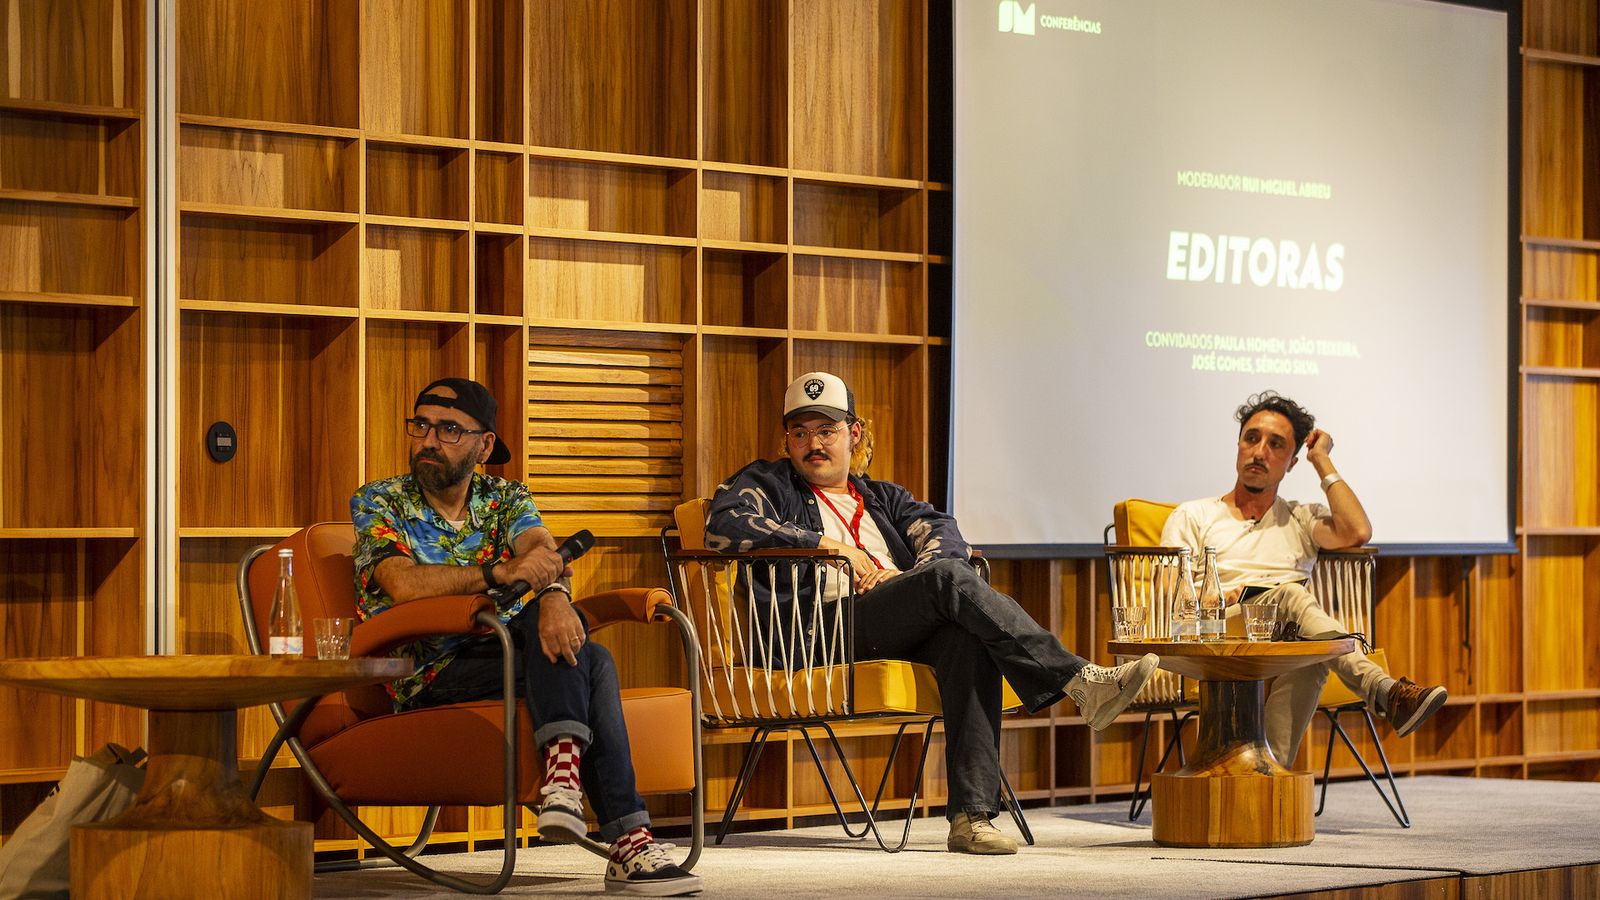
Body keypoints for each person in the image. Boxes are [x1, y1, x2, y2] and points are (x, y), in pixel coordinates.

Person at [705, 371, 1158, 855]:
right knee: (946, 582)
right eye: (801, 433)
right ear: (787, 440)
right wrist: (825, 544)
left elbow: (945, 536)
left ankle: (972, 818)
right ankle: (1078, 681)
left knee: (966, 638)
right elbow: (724, 525)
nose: (813, 444)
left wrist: (904, 580)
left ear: (853, 433)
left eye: (826, 431)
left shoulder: (882, 498)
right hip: (814, 631)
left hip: (884, 624)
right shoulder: (768, 483)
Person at [350, 377, 700, 896]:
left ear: (484, 445)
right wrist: (498, 574)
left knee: (578, 645)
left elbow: (543, 549)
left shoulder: (504, 496)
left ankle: (570, 790)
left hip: (509, 653)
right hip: (428, 672)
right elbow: (401, 583)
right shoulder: (381, 501)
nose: (428, 440)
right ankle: (624, 837)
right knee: (593, 661)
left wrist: (555, 598)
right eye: (421, 425)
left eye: (449, 429)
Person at [1160, 390, 1448, 765]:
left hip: (1288, 640)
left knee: (1311, 647)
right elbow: (1170, 599)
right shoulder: (1193, 515)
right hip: (1215, 634)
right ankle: (1383, 691)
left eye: (1275, 444)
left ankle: (1265, 780)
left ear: (1291, 462)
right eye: (1252, 438)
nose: (1259, 452)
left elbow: (1357, 531)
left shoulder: (1301, 517)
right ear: (1238, 446)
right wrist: (1214, 601)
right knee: (1293, 600)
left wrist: (1322, 460)